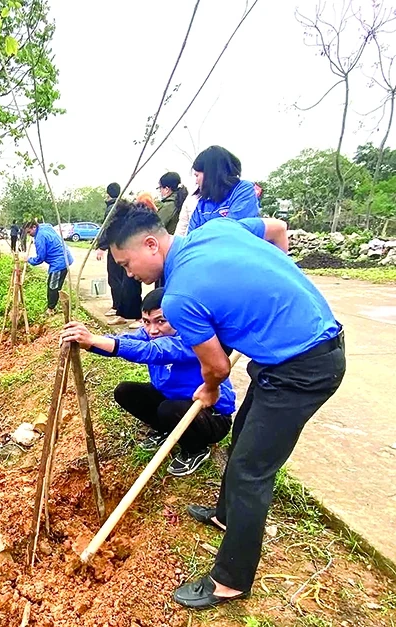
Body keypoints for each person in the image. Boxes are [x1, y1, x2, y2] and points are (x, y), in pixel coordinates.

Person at [102, 202, 345, 609]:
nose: (129, 274)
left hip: (305, 366)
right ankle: (225, 515)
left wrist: (210, 391)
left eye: (127, 264)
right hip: (279, 360)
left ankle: (230, 580)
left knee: (252, 470)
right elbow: (273, 228)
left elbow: (213, 366)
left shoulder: (179, 298)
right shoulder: (216, 230)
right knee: (244, 439)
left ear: (150, 245)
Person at [61, 288, 235, 476]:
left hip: (211, 415)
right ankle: (165, 430)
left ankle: (196, 450)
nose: (153, 330)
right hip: (173, 400)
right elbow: (126, 341)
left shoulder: (194, 339)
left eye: (161, 321)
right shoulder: (149, 333)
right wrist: (90, 344)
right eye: (146, 322)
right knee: (125, 391)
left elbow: (154, 351)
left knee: (168, 409)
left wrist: (94, 339)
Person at [96, 183, 143, 327]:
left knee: (128, 282)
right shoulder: (118, 207)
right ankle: (120, 312)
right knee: (120, 281)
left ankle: (138, 317)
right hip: (117, 248)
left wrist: (102, 246)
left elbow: (108, 229)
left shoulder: (114, 209)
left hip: (124, 248)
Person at [188, 146, 260, 232]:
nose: (196, 181)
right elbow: (191, 237)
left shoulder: (243, 190)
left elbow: (234, 231)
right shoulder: (202, 204)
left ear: (210, 174)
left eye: (197, 175)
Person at [24, 219, 74, 315]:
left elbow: (40, 258)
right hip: (65, 258)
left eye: (29, 232)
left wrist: (28, 259)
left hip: (59, 262)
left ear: (34, 227)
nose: (29, 234)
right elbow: (48, 224)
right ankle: (58, 303)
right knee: (56, 285)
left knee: (52, 286)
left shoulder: (40, 238)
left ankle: (51, 309)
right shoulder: (45, 227)